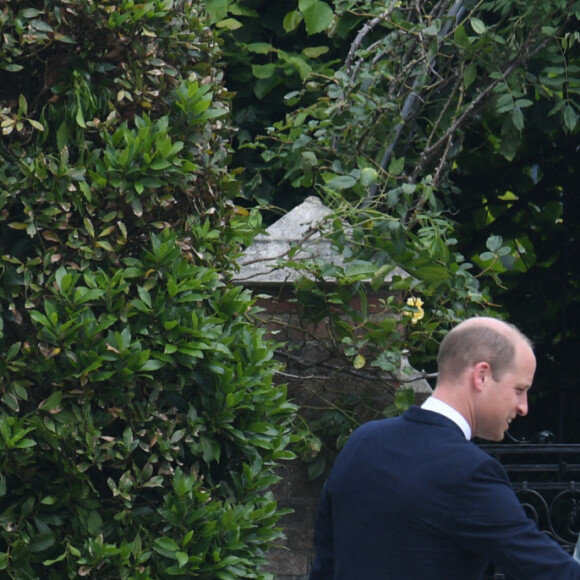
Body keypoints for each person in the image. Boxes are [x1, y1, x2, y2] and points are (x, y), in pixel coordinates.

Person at [309, 316, 580, 579]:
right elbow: (551, 570)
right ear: (482, 376)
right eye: (519, 389)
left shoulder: (363, 442)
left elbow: (325, 566)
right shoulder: (469, 472)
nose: (524, 407)